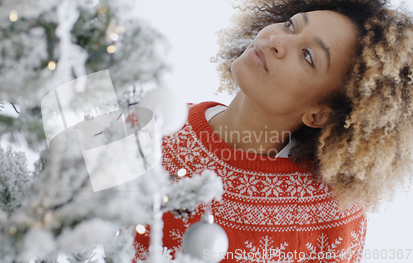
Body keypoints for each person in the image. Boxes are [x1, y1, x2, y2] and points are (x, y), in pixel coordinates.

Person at [134, 0, 413, 262]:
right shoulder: (152, 126)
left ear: (319, 114)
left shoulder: (333, 217)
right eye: (291, 25)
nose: (277, 41)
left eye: (307, 55)